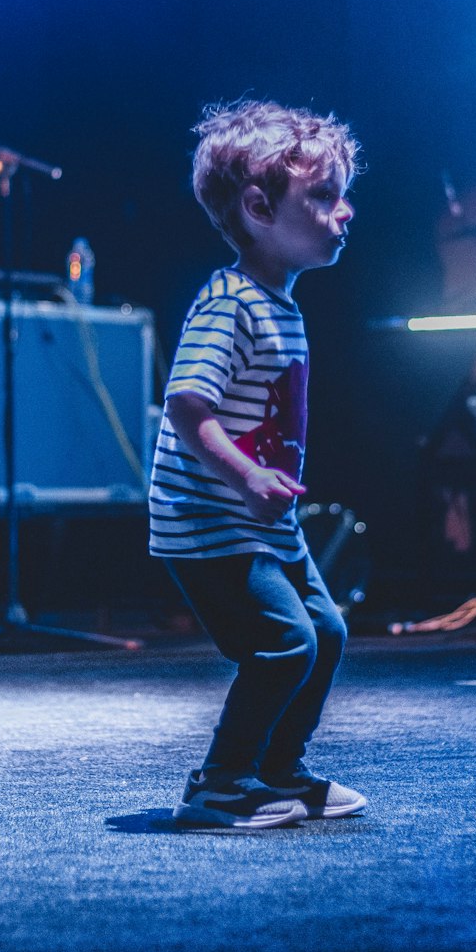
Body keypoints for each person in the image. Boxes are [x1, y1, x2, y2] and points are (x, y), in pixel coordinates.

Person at [149, 99, 367, 829]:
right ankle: (220, 783)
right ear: (258, 206)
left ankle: (277, 770)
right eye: (324, 197)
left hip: (262, 519)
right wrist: (247, 476)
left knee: (327, 633)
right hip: (211, 516)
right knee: (284, 641)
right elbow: (187, 405)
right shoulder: (228, 302)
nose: (344, 212)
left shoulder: (282, 306)